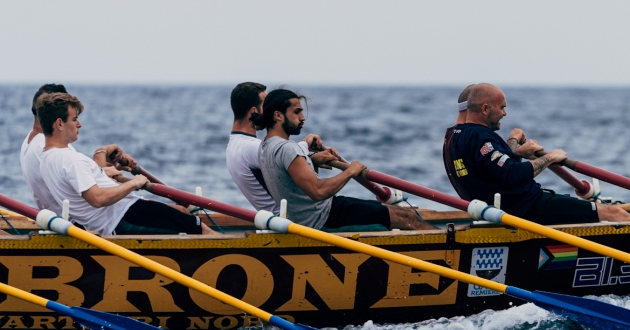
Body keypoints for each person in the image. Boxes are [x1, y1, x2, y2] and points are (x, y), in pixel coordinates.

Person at [443, 83, 630, 224]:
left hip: (507, 207)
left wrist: (515, 147)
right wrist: (550, 157)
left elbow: (491, 169)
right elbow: (511, 173)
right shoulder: (479, 136)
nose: (504, 113)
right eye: (502, 108)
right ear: (485, 109)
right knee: (615, 214)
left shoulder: (454, 137)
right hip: (527, 207)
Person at [36, 93, 213, 235]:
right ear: (60, 123)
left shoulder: (46, 158)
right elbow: (97, 199)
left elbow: (80, 183)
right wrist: (134, 183)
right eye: (74, 119)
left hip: (121, 214)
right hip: (123, 217)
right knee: (201, 228)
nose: (79, 124)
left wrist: (105, 164)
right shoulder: (71, 160)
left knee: (182, 211)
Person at [257, 88, 433, 231]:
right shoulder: (288, 148)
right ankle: (447, 250)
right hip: (323, 219)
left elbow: (290, 179)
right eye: (297, 112)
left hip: (316, 213)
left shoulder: (265, 147)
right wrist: (351, 171)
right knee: (406, 217)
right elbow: (317, 191)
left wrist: (311, 160)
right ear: (278, 115)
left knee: (397, 211)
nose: (303, 118)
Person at [21, 84, 138, 214]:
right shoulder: (44, 145)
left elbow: (71, 176)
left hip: (68, 212)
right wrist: (100, 154)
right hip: (74, 218)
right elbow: (91, 189)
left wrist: (109, 166)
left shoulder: (32, 140)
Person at [226, 81, 326, 213]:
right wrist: (305, 143)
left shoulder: (233, 145)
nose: (270, 110)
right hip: (287, 218)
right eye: (266, 106)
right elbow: (286, 155)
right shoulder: (250, 147)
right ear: (254, 111)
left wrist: (311, 156)